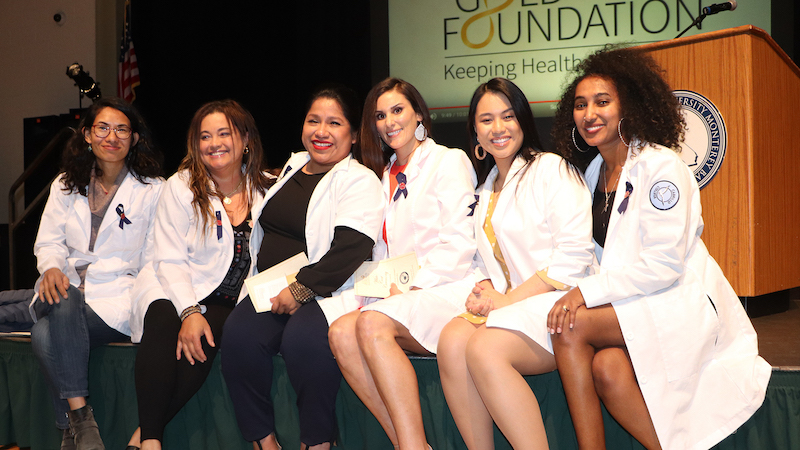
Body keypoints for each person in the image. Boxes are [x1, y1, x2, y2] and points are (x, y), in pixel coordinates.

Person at [546, 46, 771, 450]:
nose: (589, 113)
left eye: (602, 101)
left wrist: (584, 294)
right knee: (609, 368)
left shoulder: (662, 167)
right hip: (631, 302)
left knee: (569, 327)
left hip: (673, 298)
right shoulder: (593, 172)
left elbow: (663, 265)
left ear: (628, 105)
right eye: (580, 104)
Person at [220, 85, 384, 450]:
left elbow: (351, 248)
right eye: (314, 121)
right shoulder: (292, 167)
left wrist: (300, 289)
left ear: (353, 135)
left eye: (334, 123)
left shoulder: (359, 180)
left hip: (325, 290)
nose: (321, 131)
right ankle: (263, 441)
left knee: (303, 342)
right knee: (238, 338)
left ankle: (318, 442)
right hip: (271, 287)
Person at [433, 78, 594, 450]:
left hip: (561, 305)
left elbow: (573, 257)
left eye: (507, 116)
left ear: (522, 119)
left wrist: (509, 299)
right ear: (474, 129)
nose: (498, 128)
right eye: (486, 120)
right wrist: (487, 286)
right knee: (452, 339)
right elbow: (485, 256)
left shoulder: (551, 169)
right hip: (516, 305)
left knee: (483, 349)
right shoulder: (487, 185)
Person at [327, 77, 477, 450]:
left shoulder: (449, 160)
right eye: (380, 115)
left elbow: (459, 244)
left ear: (419, 115)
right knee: (340, 334)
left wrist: (410, 287)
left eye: (398, 110)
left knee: (372, 324)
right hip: (400, 295)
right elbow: (383, 255)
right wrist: (376, 290)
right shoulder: (382, 175)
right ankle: (407, 442)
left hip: (446, 288)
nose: (389, 121)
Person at [126, 100, 273, 450]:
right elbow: (169, 258)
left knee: (207, 340)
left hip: (229, 298)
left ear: (246, 138)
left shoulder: (268, 188)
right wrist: (189, 311)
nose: (214, 143)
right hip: (172, 283)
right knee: (163, 320)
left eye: (224, 133)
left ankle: (142, 435)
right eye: (205, 136)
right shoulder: (180, 186)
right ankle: (150, 443)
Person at [28, 97, 163, 450]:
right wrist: (53, 268)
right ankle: (82, 422)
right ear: (87, 134)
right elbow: (49, 241)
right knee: (64, 296)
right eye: (102, 128)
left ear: (134, 139)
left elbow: (153, 256)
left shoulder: (153, 190)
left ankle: (69, 428)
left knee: (44, 334)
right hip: (64, 289)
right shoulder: (64, 184)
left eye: (122, 129)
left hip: (117, 297)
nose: (111, 136)